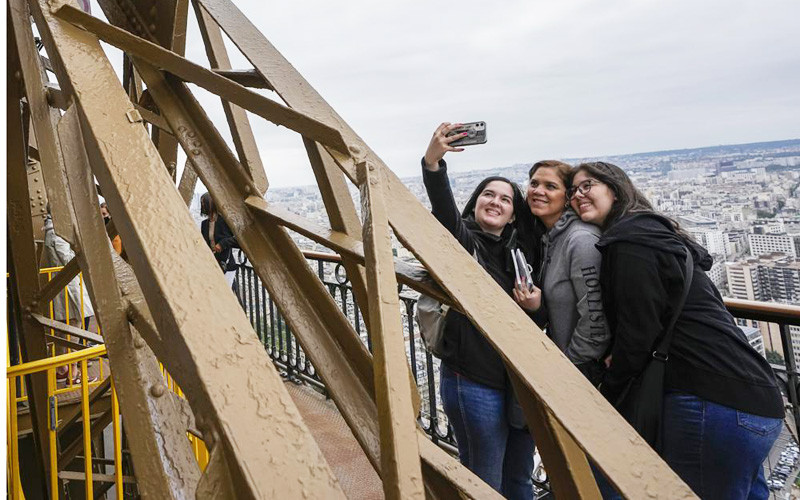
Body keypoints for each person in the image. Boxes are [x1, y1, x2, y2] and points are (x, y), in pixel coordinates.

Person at [570, 161, 783, 499]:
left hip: (709, 401)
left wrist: (610, 386)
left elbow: (638, 332)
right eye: (573, 190)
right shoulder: (659, 234)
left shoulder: (629, 242)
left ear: (616, 188)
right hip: (755, 399)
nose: (577, 195)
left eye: (587, 185)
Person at [422, 122, 543, 499]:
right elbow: (444, 211)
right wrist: (433, 162)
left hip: (517, 382)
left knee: (519, 479)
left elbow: (534, 319)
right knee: (484, 480)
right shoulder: (463, 243)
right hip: (474, 376)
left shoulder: (521, 253)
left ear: (512, 214)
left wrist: (535, 308)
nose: (496, 202)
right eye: (488, 195)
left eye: (506, 200)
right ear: (475, 203)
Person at [524, 160, 610, 385]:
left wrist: (570, 365)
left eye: (550, 186)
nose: (538, 191)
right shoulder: (549, 237)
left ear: (568, 196)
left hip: (582, 373)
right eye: (534, 183)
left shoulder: (580, 241)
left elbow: (595, 318)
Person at [42, 209, 97, 383]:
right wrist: (80, 251)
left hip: (63, 288)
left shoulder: (51, 231)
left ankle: (62, 369)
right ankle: (73, 374)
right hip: (69, 290)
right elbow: (67, 259)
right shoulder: (58, 233)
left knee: (61, 332)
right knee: (74, 329)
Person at [200, 192, 240, 287]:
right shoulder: (204, 224)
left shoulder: (224, 221)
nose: (202, 205)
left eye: (204, 202)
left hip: (226, 265)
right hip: (213, 266)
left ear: (211, 204)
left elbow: (238, 239)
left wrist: (222, 244)